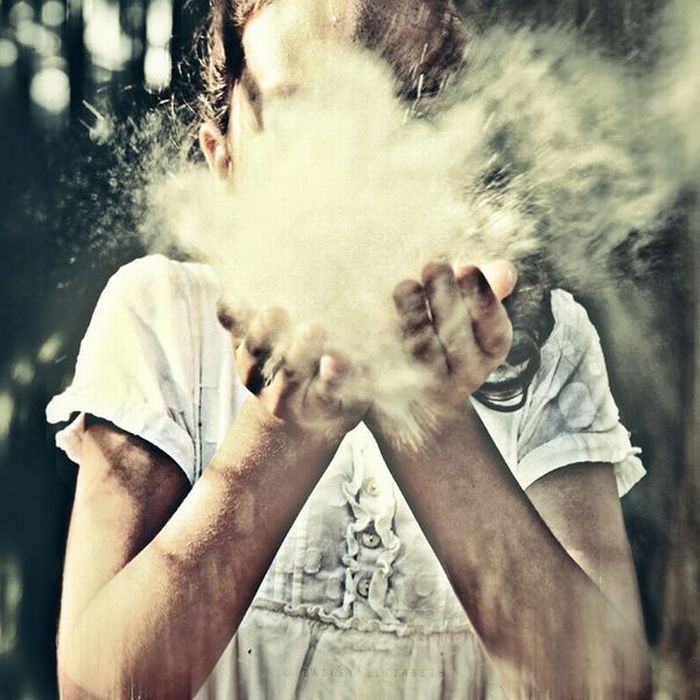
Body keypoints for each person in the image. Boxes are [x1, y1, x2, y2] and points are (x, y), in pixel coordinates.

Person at [47, 0, 651, 697]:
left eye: (408, 108)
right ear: (224, 160)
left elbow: (606, 686)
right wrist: (283, 430)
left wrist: (424, 411)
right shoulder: (163, 317)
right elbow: (96, 687)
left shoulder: (545, 343)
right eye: (300, 116)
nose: (353, 154)